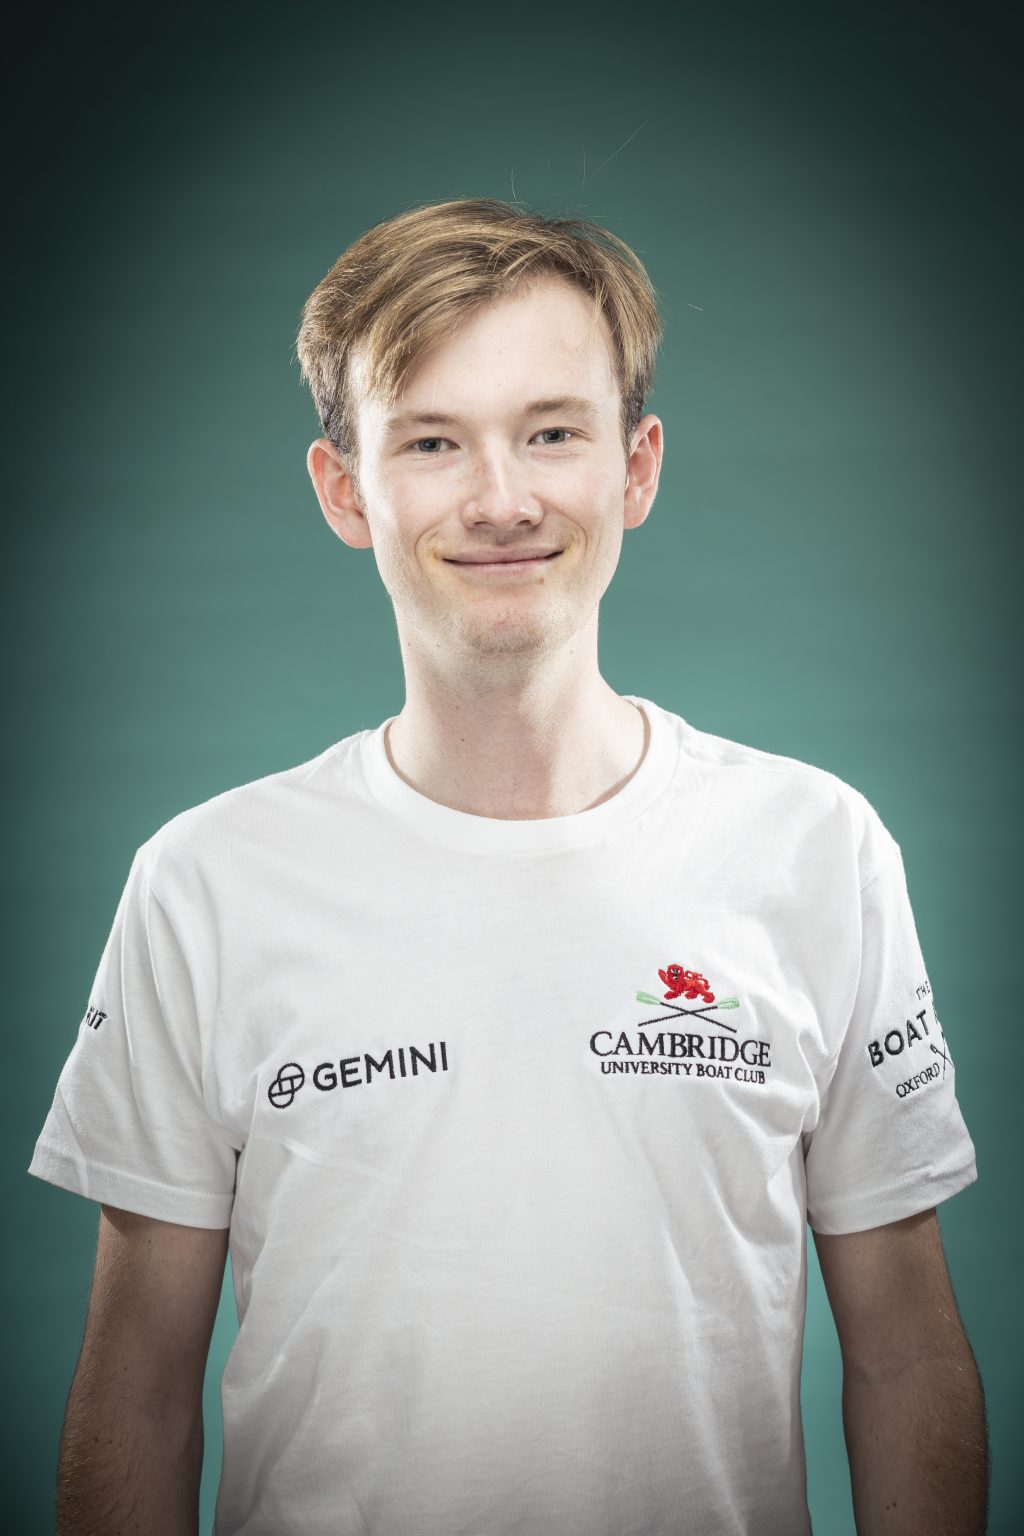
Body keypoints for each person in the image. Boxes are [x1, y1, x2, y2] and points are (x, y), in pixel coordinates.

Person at [28, 196, 988, 1536]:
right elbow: (135, 1396)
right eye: (432, 441)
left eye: (552, 432)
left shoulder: (818, 852)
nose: (501, 500)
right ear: (346, 490)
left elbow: (904, 1357)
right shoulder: (203, 886)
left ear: (636, 467)